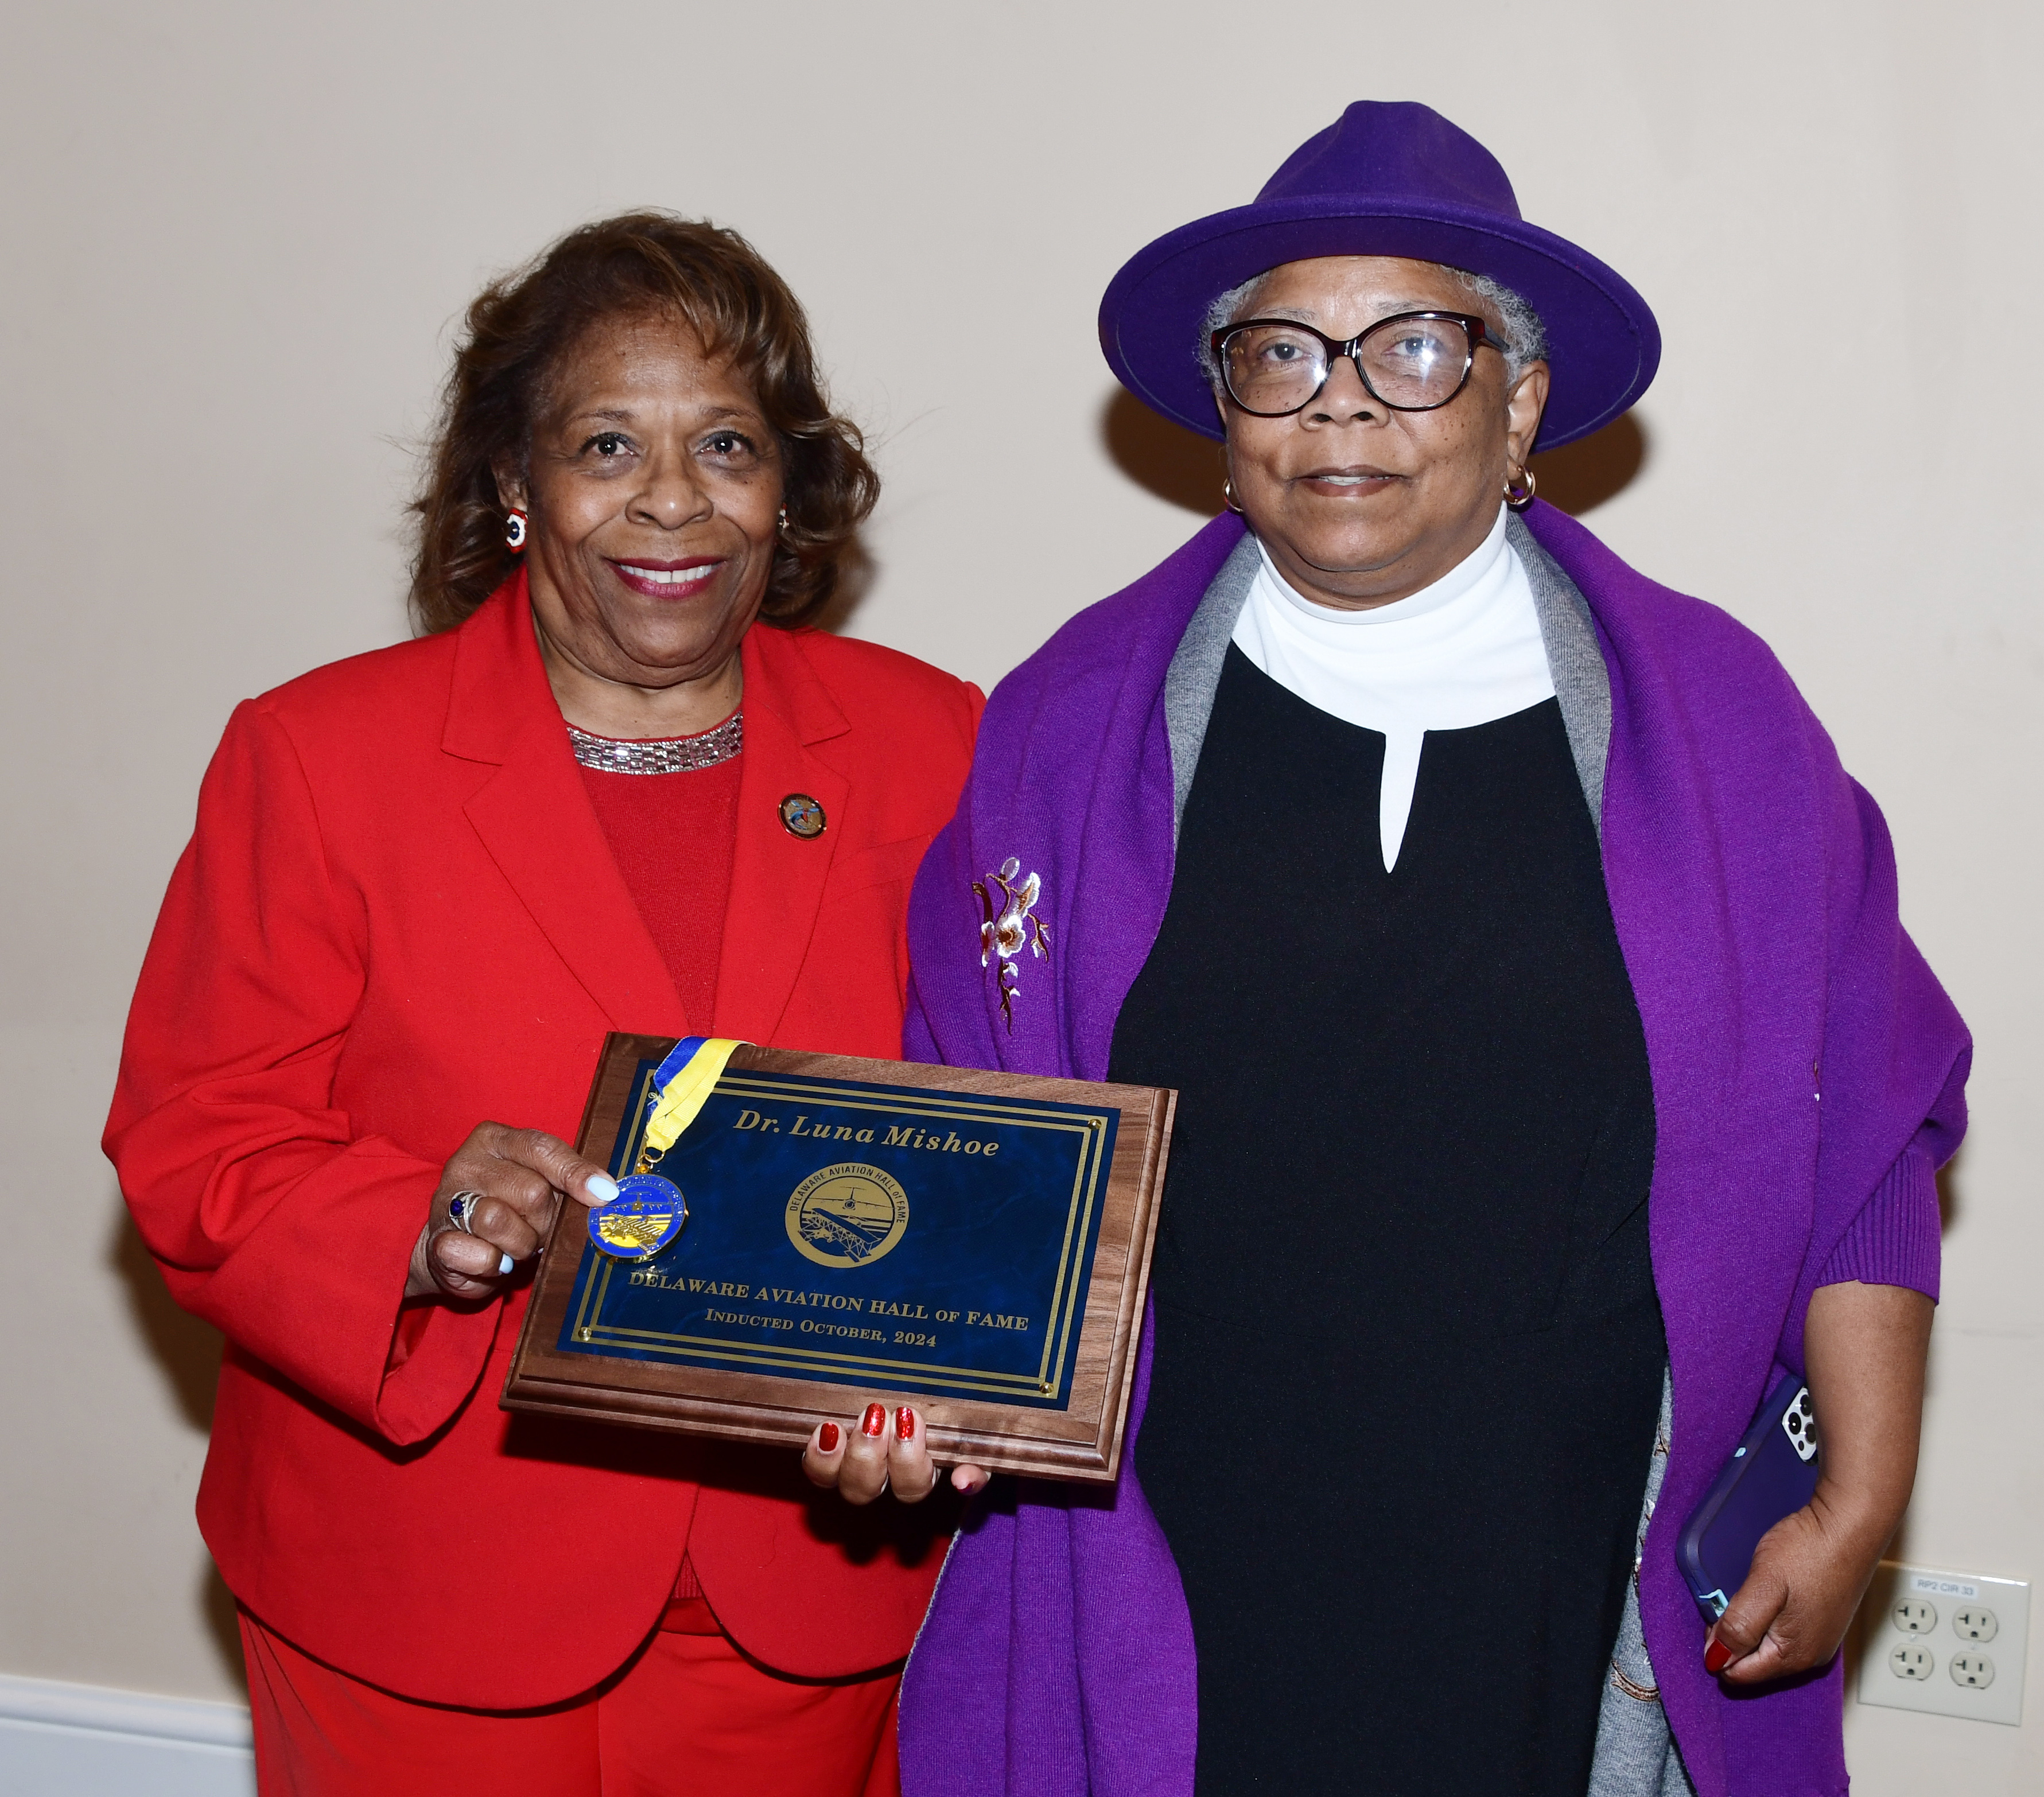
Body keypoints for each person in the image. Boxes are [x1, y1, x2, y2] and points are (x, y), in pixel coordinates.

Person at [892, 104, 1970, 1797]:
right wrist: (908, 1390)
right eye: (1280, 353)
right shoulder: (1064, 730)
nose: (1338, 402)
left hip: (1556, 1557)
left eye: (1409, 347)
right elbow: (960, 1126)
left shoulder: (1724, 734)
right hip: (1174, 1556)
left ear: (1518, 395)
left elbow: (1871, 1134)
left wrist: (1858, 1492)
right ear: (1220, 404)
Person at [105, 213, 985, 1796]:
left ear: (785, 487)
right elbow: (196, 1143)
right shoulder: (317, 761)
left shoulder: (938, 749)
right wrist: (415, 1222)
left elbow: (999, 1130)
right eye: (604, 442)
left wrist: (961, 1374)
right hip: (423, 1592)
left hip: (809, 1575)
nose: (671, 498)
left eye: (725, 442)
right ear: (515, 483)